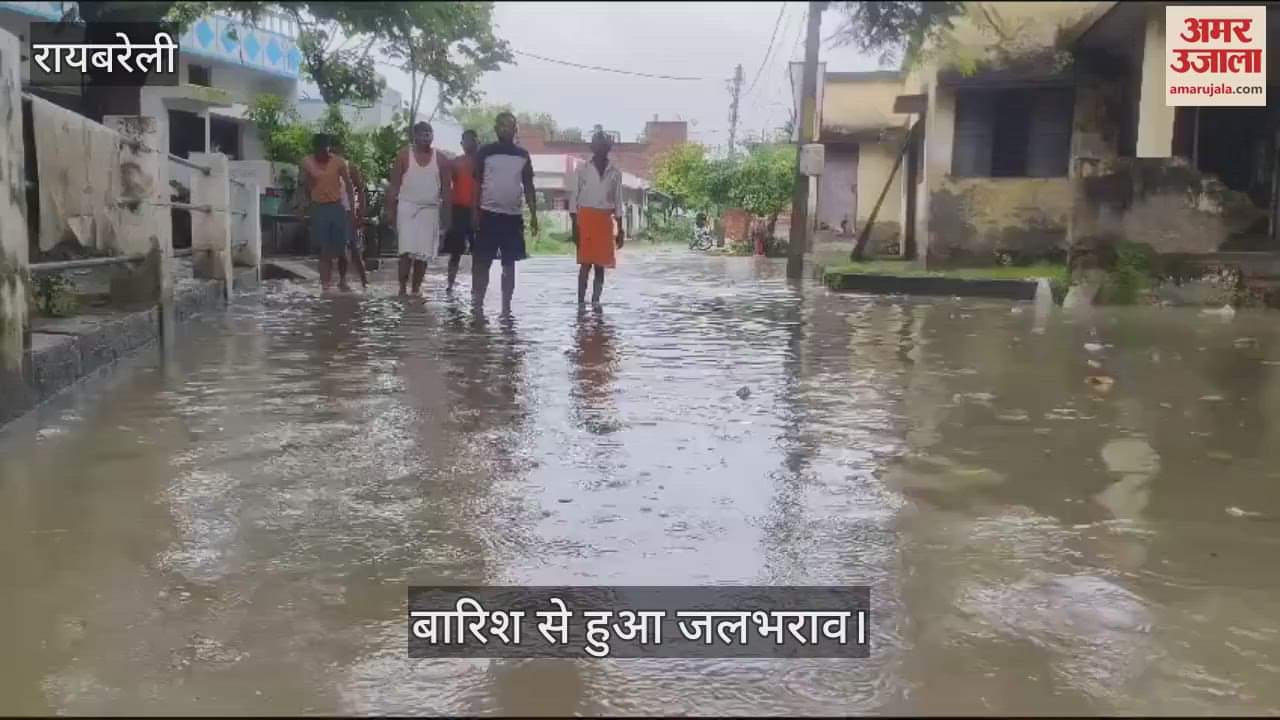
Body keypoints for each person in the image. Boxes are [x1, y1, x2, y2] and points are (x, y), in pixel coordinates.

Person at [473, 111, 539, 316]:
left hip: (513, 216)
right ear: (495, 128)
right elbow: (476, 184)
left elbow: (528, 186)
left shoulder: (522, 155)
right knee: (482, 261)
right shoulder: (485, 152)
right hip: (488, 213)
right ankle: (477, 306)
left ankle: (506, 308)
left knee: (509, 264)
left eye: (509, 125)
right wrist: (474, 213)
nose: (505, 128)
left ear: (515, 129)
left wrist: (534, 215)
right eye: (501, 125)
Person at [387, 122, 452, 296]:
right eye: (422, 134)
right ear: (414, 136)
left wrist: (446, 218)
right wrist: (390, 211)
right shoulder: (403, 156)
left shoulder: (442, 159)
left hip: (430, 210)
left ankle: (415, 289)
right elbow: (394, 186)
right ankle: (402, 288)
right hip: (407, 208)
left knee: (423, 254)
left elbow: (446, 190)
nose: (426, 137)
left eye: (429, 133)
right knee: (406, 251)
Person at [569, 130, 624, 306]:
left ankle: (595, 301)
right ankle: (580, 303)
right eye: (597, 145)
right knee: (585, 264)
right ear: (592, 148)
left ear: (608, 148)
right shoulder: (583, 169)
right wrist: (574, 227)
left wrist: (621, 229)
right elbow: (573, 199)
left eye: (604, 145)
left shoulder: (615, 172)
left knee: (600, 266)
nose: (600, 148)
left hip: (605, 220)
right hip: (586, 218)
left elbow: (618, 201)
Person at [300, 133, 358, 291]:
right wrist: (303, 208)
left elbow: (349, 187)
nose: (322, 154)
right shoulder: (307, 162)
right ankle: (325, 285)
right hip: (319, 208)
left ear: (329, 148)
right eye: (319, 150)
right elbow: (304, 187)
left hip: (337, 206)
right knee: (324, 250)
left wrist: (353, 211)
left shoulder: (338, 162)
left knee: (342, 250)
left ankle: (343, 279)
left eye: (325, 150)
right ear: (314, 149)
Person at [442, 129, 480, 293]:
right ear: (461, 144)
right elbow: (446, 187)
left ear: (478, 142)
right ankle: (450, 284)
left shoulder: (483, 162)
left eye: (472, 140)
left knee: (478, 252)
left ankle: (477, 287)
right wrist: (447, 216)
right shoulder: (455, 163)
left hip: (479, 210)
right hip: (459, 210)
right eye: (466, 141)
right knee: (455, 252)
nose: (469, 144)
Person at [331, 138, 369, 290]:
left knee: (354, 248)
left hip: (348, 212)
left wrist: (361, 212)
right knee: (340, 248)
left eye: (335, 150)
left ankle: (364, 280)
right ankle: (342, 279)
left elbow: (360, 189)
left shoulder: (350, 167)